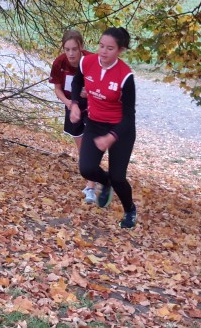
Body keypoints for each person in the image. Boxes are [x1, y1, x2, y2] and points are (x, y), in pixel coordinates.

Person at [70, 27, 138, 229]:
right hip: (95, 124)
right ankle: (105, 181)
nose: (103, 51)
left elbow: (129, 117)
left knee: (118, 178)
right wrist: (74, 104)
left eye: (110, 48)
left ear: (120, 50)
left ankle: (129, 210)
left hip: (120, 129)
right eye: (101, 46)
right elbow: (76, 82)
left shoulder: (125, 76)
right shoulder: (86, 62)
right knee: (87, 169)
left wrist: (111, 137)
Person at [49, 30, 96, 203]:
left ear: (81, 47)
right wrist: (69, 104)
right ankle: (91, 180)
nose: (70, 53)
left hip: (92, 106)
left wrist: (89, 92)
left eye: (74, 49)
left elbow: (103, 87)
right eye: (67, 49)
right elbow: (58, 89)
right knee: (82, 147)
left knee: (91, 146)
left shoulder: (92, 61)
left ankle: (91, 186)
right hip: (71, 105)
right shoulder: (59, 63)